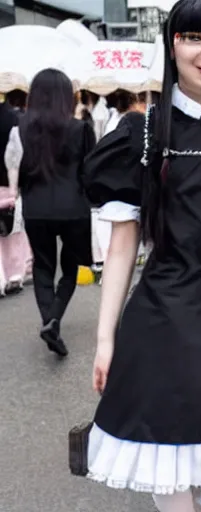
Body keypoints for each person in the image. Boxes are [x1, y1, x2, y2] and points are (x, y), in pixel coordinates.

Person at [82, 1, 201, 511]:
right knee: (172, 474)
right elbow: (123, 245)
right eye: (194, 38)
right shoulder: (139, 135)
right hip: (163, 322)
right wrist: (106, 339)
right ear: (172, 46)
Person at [4, 69, 96, 357]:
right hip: (74, 208)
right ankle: (54, 318)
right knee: (70, 268)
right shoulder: (81, 129)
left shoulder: (19, 128)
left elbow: (12, 165)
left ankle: (50, 321)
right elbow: (90, 171)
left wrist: (15, 191)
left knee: (43, 267)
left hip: (36, 208)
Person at [0, 100, 32, 296]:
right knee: (13, 232)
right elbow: (16, 156)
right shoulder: (13, 118)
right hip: (7, 183)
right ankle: (15, 275)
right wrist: (16, 186)